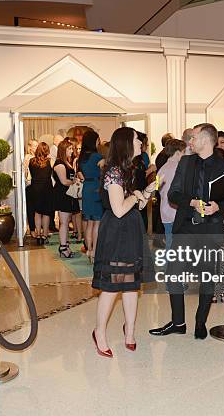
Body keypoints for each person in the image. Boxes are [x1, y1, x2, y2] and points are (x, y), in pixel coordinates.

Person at [150, 123, 224, 339]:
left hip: (210, 230)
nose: (190, 141)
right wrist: (191, 202)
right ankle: (178, 322)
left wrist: (218, 206)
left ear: (207, 139)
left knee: (207, 277)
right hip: (185, 227)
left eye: (194, 137)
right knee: (173, 274)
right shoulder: (186, 162)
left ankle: (200, 322)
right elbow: (173, 194)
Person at [92, 127, 154, 357]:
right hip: (116, 231)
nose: (141, 144)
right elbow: (119, 209)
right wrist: (135, 195)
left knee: (131, 284)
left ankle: (130, 331)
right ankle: (100, 333)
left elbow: (134, 205)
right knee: (111, 286)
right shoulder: (114, 172)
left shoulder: (129, 169)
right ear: (127, 143)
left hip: (131, 229)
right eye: (138, 141)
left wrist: (146, 192)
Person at [77, 131, 105, 263]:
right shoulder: (97, 157)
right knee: (97, 223)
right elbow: (105, 170)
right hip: (96, 188)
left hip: (86, 188)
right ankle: (95, 251)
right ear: (94, 141)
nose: (99, 142)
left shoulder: (82, 157)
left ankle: (89, 250)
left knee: (89, 223)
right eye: (98, 139)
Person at [156, 139, 186, 249]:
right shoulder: (177, 168)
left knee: (169, 242)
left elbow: (157, 188)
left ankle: (168, 265)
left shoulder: (162, 169)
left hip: (164, 211)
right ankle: (171, 266)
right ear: (178, 153)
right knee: (176, 245)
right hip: (174, 211)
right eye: (183, 152)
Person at [53, 140, 80, 258]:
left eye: (71, 148)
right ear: (63, 150)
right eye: (69, 149)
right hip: (62, 195)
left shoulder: (66, 162)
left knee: (67, 220)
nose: (71, 151)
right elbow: (64, 181)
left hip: (68, 194)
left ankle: (66, 245)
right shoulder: (59, 163)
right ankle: (63, 247)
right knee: (64, 222)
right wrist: (74, 181)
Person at [29, 142, 54, 244]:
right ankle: (44, 235)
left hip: (35, 188)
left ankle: (38, 234)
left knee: (37, 212)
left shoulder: (31, 161)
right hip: (47, 188)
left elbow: (30, 174)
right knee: (46, 213)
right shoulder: (50, 161)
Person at [24, 140, 39, 238]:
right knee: (31, 209)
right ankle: (32, 229)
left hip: (36, 185)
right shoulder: (28, 158)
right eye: (35, 146)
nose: (37, 148)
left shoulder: (37, 158)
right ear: (30, 147)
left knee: (36, 208)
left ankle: (36, 229)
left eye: (37, 146)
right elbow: (26, 172)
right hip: (30, 185)